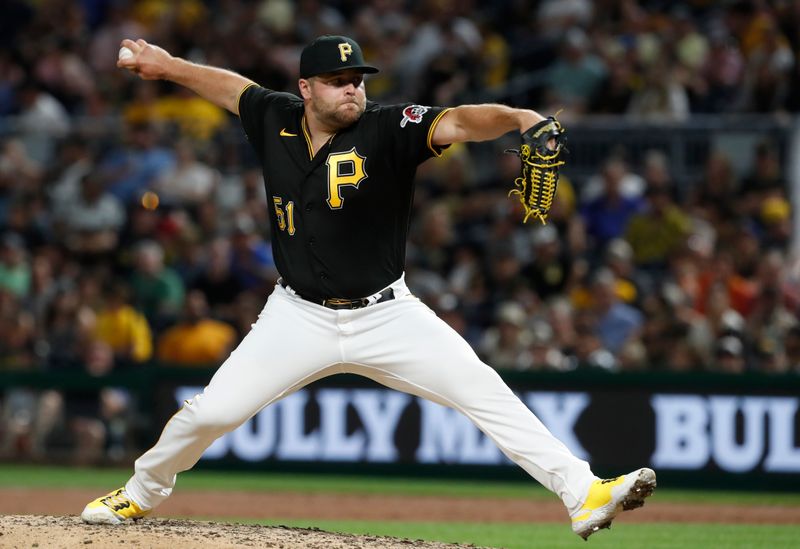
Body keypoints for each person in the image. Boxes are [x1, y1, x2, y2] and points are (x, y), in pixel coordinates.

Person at [80, 35, 656, 540]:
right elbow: (232, 89)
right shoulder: (274, 117)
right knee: (208, 415)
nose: (352, 89)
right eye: (337, 82)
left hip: (387, 314)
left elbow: (456, 120)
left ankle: (583, 494)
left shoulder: (388, 128)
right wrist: (167, 63)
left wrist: (516, 115)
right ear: (306, 88)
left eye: (357, 79)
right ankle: (140, 492)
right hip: (296, 315)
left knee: (485, 391)